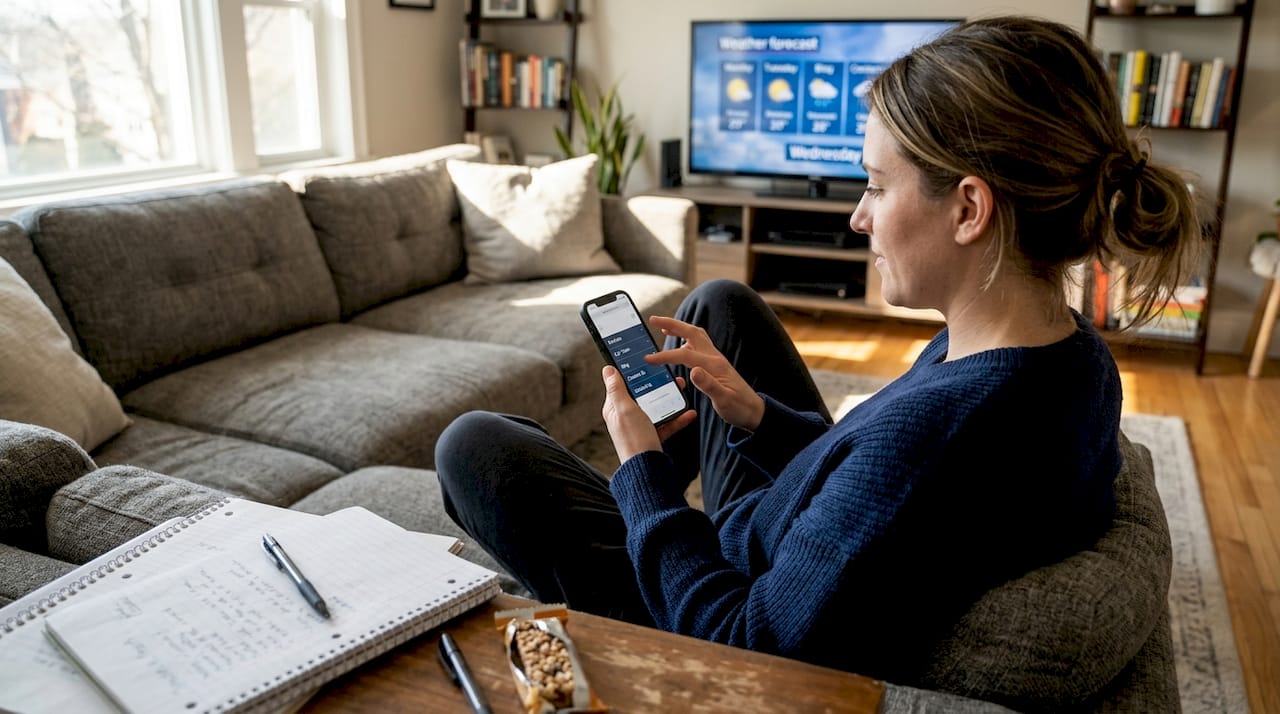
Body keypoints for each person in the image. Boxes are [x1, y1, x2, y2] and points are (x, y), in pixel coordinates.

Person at [434, 15, 1203, 685]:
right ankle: (667, 451)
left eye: (874, 185)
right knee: (722, 303)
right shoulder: (1067, 357)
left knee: (477, 447)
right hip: (785, 528)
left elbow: (746, 643)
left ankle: (639, 472)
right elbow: (867, 486)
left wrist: (640, 476)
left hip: (721, 595)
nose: (858, 219)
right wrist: (756, 416)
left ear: (969, 208)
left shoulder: (942, 435)